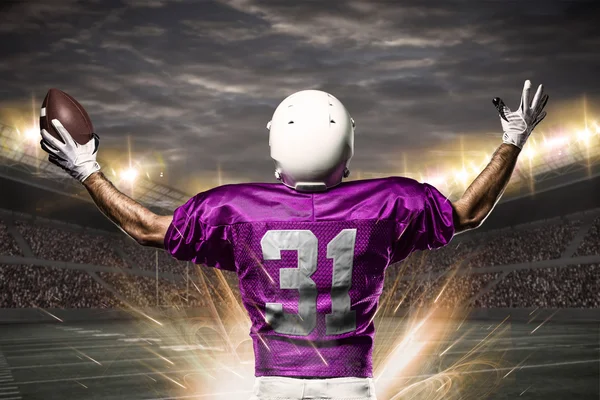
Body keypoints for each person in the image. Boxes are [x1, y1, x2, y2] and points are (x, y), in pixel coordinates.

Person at [39, 81, 548, 400]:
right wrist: (513, 139)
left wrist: (87, 170)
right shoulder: (388, 201)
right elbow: (470, 212)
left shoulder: (236, 207)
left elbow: (145, 227)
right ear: (348, 145)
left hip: (274, 384)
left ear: (275, 146)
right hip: (351, 383)